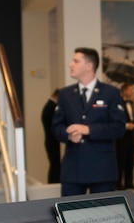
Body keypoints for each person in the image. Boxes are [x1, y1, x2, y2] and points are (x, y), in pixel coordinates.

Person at [51, 47, 126, 196]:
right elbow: (56, 127)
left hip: (102, 169)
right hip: (73, 170)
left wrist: (88, 130)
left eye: (76, 61)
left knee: (103, 216)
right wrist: (68, 136)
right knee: (70, 215)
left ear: (89, 66)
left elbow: (118, 127)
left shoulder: (111, 93)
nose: (70, 64)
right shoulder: (65, 94)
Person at [116, 83, 134, 190]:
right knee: (121, 159)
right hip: (121, 136)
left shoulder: (131, 103)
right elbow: (115, 119)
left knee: (130, 159)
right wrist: (126, 125)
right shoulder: (118, 103)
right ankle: (118, 184)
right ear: (124, 91)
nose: (132, 92)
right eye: (130, 90)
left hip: (131, 135)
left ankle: (129, 182)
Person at [41, 89, 61, 184]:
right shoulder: (51, 107)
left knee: (54, 163)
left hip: (50, 140)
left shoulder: (47, 106)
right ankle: (53, 183)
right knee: (55, 164)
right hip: (52, 140)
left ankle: (54, 182)